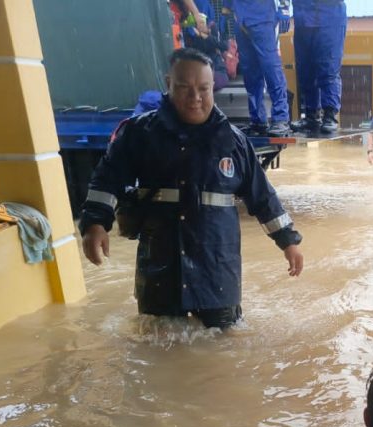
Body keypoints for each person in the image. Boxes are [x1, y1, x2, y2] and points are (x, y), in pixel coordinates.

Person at [79, 48, 303, 329]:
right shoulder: (139, 134)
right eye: (184, 87)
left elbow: (262, 197)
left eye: (204, 89)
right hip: (160, 268)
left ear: (212, 89)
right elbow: (106, 179)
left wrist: (289, 243)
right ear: (168, 83)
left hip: (217, 274)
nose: (195, 97)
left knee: (222, 350)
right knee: (156, 346)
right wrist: (95, 225)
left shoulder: (234, 143)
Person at [222, 0, 292, 136]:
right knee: (250, 72)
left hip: (263, 16)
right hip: (240, 18)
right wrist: (226, 9)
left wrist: (284, 9)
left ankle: (281, 118)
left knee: (271, 67)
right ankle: (258, 120)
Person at [289, 0, 347, 135]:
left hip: (329, 18)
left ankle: (330, 115)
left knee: (328, 66)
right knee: (305, 69)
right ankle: (311, 115)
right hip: (303, 19)